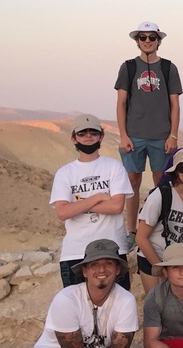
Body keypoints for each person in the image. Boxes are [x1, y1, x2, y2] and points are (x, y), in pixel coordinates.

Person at [115, 22, 182, 240]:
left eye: (152, 37)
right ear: (137, 41)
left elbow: (175, 104)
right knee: (132, 182)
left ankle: (160, 228)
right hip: (133, 135)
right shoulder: (128, 67)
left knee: (161, 182)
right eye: (142, 37)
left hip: (161, 136)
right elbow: (121, 103)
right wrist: (123, 135)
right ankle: (131, 230)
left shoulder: (169, 68)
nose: (147, 41)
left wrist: (173, 135)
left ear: (158, 41)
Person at [50, 114, 133, 290]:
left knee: (117, 304)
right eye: (82, 133)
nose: (88, 136)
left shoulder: (114, 167)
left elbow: (116, 206)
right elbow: (62, 212)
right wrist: (98, 197)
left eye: (93, 132)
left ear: (101, 136)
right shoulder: (65, 173)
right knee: (77, 305)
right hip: (76, 252)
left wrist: (77, 205)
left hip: (112, 250)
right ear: (74, 138)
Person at [135, 149, 183, 294]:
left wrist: (181, 267)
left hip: (179, 259)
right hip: (151, 255)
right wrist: (161, 269)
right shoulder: (160, 195)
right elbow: (141, 238)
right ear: (176, 172)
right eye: (182, 168)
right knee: (157, 302)